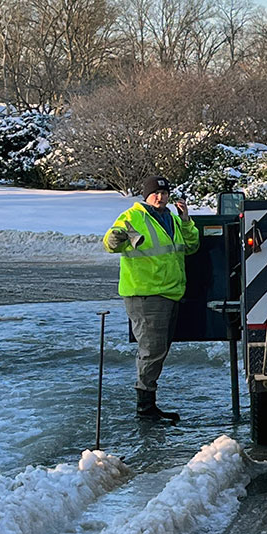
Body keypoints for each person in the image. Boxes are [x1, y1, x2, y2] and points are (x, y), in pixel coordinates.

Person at [103, 176, 200, 421]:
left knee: (158, 349)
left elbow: (192, 246)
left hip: (169, 292)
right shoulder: (134, 216)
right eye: (155, 193)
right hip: (146, 294)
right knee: (152, 349)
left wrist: (186, 220)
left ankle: (147, 404)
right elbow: (111, 240)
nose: (160, 197)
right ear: (146, 195)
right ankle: (145, 408)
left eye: (164, 193)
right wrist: (115, 238)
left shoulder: (173, 219)